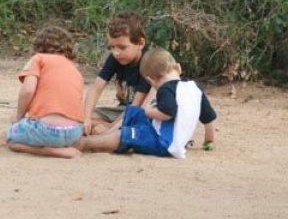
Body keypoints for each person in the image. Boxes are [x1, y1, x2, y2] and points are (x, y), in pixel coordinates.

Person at [77, 47, 217, 159]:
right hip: (175, 141)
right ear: (178, 68)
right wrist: (209, 140)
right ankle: (103, 136)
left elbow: (167, 113)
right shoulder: (194, 88)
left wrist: (148, 111)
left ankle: (86, 143)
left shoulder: (166, 89)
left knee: (126, 133)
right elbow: (208, 118)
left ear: (151, 80)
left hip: (163, 143)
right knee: (134, 120)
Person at [6, 26, 85, 159]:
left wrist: (18, 116)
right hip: (74, 132)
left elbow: (28, 90)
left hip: (46, 130)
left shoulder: (38, 59)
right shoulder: (75, 69)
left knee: (11, 139)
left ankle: (47, 151)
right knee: (54, 133)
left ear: (38, 46)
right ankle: (61, 146)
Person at [83, 11, 151, 135]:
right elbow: (96, 89)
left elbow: (135, 106)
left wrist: (109, 129)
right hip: (120, 111)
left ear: (140, 43)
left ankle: (110, 129)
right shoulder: (115, 58)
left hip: (140, 112)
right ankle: (105, 127)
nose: (116, 53)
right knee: (79, 117)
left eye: (122, 47)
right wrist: (86, 119)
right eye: (112, 47)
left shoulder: (148, 63)